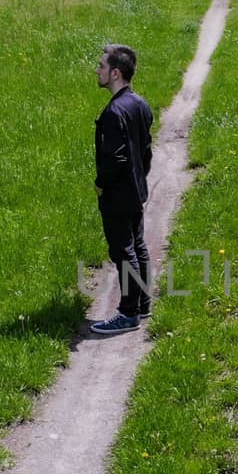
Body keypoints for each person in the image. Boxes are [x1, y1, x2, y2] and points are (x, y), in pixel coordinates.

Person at [90, 43, 154, 335]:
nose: (97, 70)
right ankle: (142, 303)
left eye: (102, 66)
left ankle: (128, 313)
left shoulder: (115, 111)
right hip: (136, 190)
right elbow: (145, 152)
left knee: (123, 251)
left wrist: (101, 185)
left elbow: (115, 158)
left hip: (117, 192)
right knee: (138, 246)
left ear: (115, 73)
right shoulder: (139, 104)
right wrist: (140, 179)